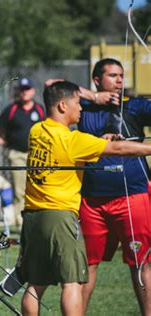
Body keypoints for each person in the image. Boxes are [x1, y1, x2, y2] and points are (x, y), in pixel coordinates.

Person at [76, 58, 151, 315]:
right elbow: (53, 85)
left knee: (141, 263)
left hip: (133, 196)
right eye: (112, 76)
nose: (119, 80)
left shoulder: (134, 105)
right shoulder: (82, 106)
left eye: (121, 76)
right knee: (86, 265)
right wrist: (94, 97)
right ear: (97, 80)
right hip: (92, 199)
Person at [0, 78, 46, 228]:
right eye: (22, 89)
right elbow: (1, 126)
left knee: (37, 188)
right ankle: (21, 223)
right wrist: (1, 138)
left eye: (27, 88)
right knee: (19, 190)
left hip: (36, 155)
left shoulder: (39, 109)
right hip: (17, 154)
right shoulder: (12, 109)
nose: (25, 92)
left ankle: (36, 220)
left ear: (33, 91)